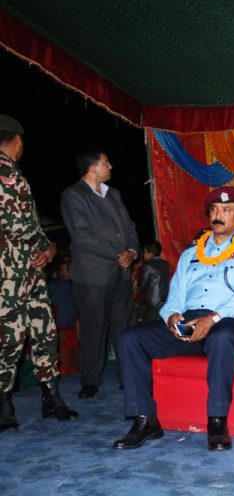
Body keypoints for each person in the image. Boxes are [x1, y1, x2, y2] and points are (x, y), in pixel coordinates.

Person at [113, 186, 234, 451]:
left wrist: (212, 319)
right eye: (214, 210)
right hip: (189, 319)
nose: (218, 215)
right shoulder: (191, 252)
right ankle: (145, 420)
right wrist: (171, 316)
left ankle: (217, 422)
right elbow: (176, 293)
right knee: (131, 338)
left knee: (221, 338)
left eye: (227, 210)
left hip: (228, 320)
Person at [0, 114, 78, 432]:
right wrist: (46, 247)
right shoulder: (4, 171)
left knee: (44, 330)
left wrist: (45, 248)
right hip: (9, 271)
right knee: (10, 336)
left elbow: (28, 222)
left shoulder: (14, 172)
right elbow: (14, 223)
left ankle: (51, 397)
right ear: (17, 139)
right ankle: (4, 405)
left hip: (29, 269)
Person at [60, 146, 140, 399]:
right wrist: (118, 253)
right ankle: (90, 381)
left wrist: (132, 252)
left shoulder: (113, 194)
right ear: (93, 167)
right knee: (94, 328)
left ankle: (129, 376)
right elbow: (82, 236)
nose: (111, 166)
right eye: (106, 162)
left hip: (121, 273)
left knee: (124, 327)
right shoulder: (73, 195)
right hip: (92, 275)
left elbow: (129, 227)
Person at [136, 241, 170, 322]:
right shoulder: (165, 264)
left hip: (153, 301)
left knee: (149, 322)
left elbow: (143, 284)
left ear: (150, 253)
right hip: (164, 299)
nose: (143, 254)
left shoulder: (148, 265)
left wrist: (138, 289)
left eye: (144, 252)